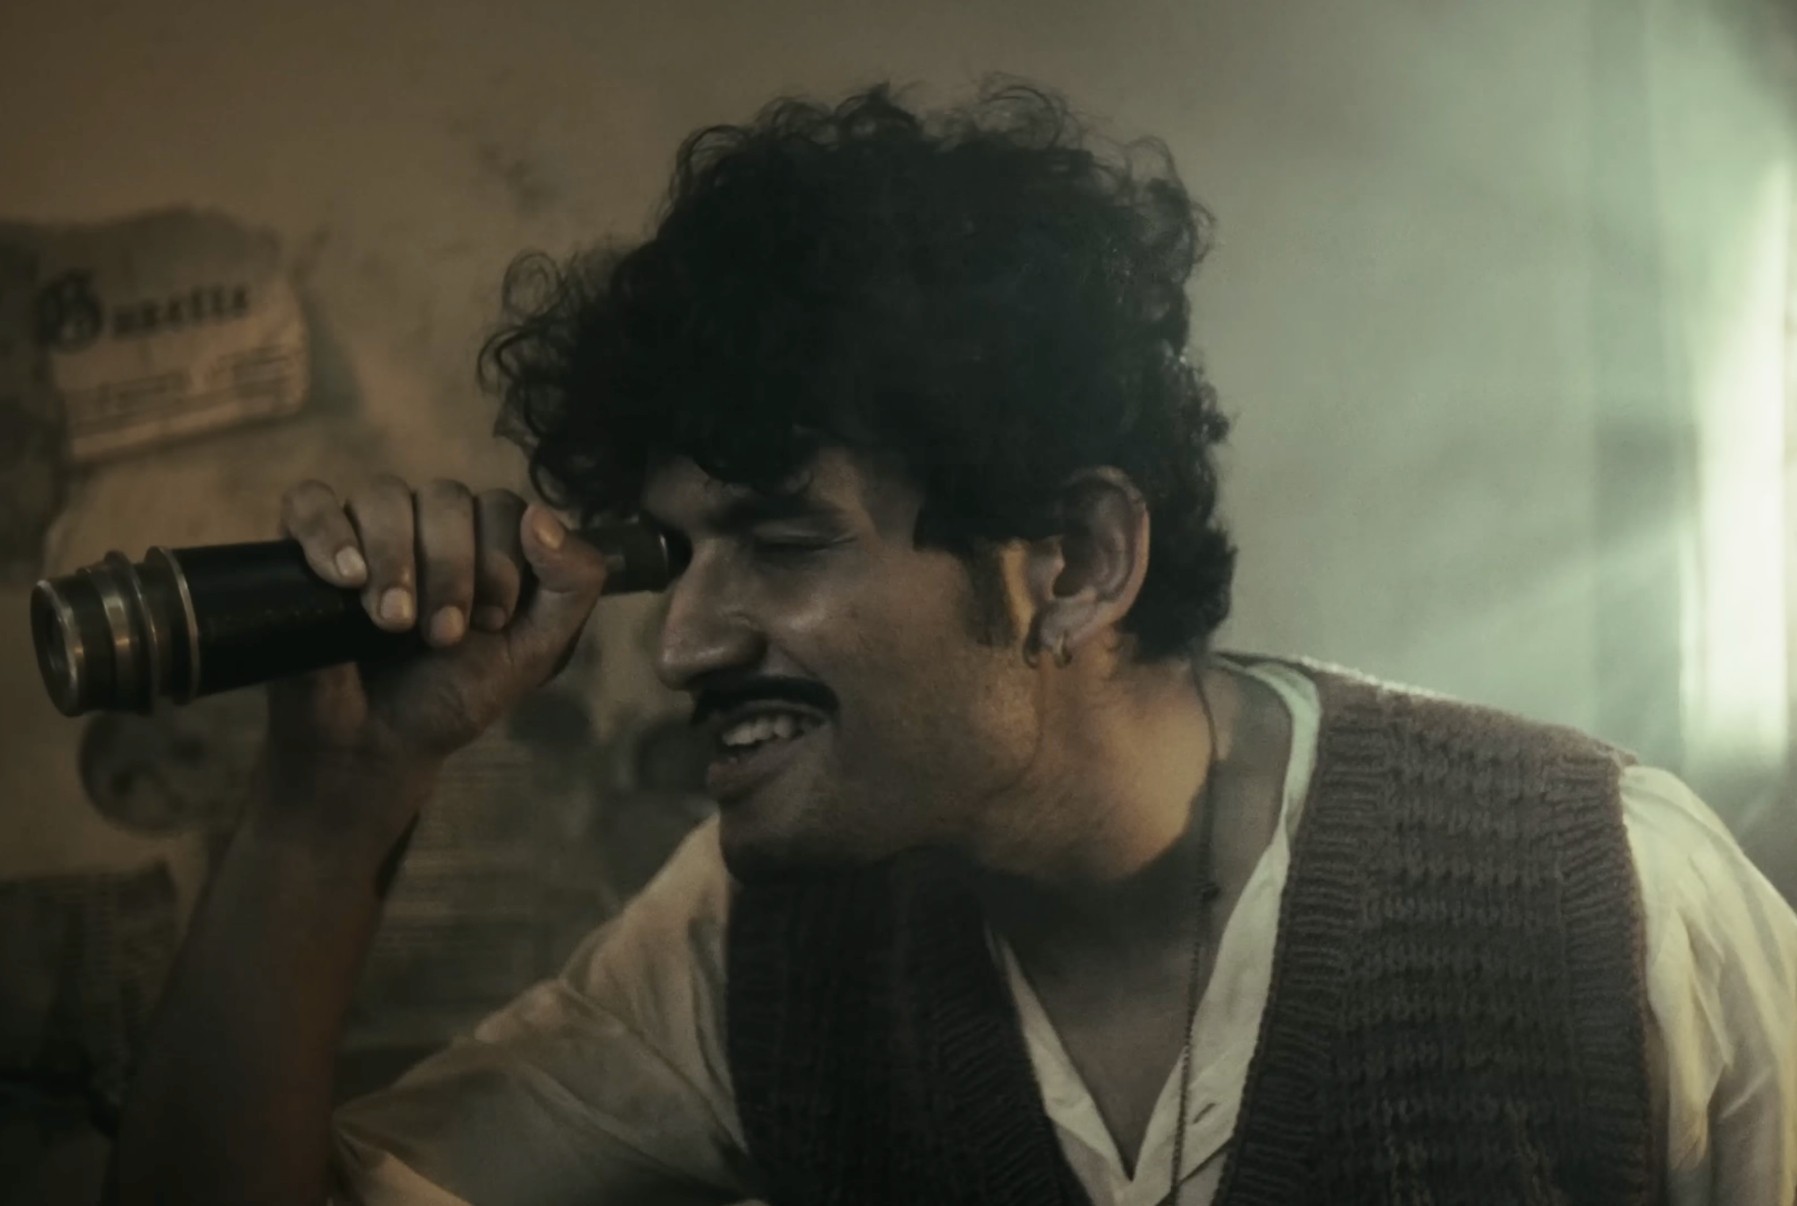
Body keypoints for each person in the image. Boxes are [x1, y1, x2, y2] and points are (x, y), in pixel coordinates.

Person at [106, 82, 1797, 1206]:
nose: (681, 643)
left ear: (1072, 563)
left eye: (782, 540)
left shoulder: (1609, 890)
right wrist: (330, 802)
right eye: (674, 556)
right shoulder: (744, 941)